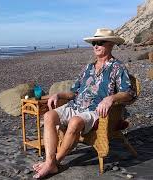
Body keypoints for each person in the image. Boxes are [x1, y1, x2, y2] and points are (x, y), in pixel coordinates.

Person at [32, 28, 136, 179]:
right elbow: (74, 92)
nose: (95, 46)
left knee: (75, 122)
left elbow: (129, 93)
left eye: (100, 42)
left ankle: (53, 163)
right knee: (49, 116)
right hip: (76, 105)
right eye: (94, 43)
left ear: (111, 44)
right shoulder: (88, 67)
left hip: (95, 111)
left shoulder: (117, 67)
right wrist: (58, 94)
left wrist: (111, 98)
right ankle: (50, 161)